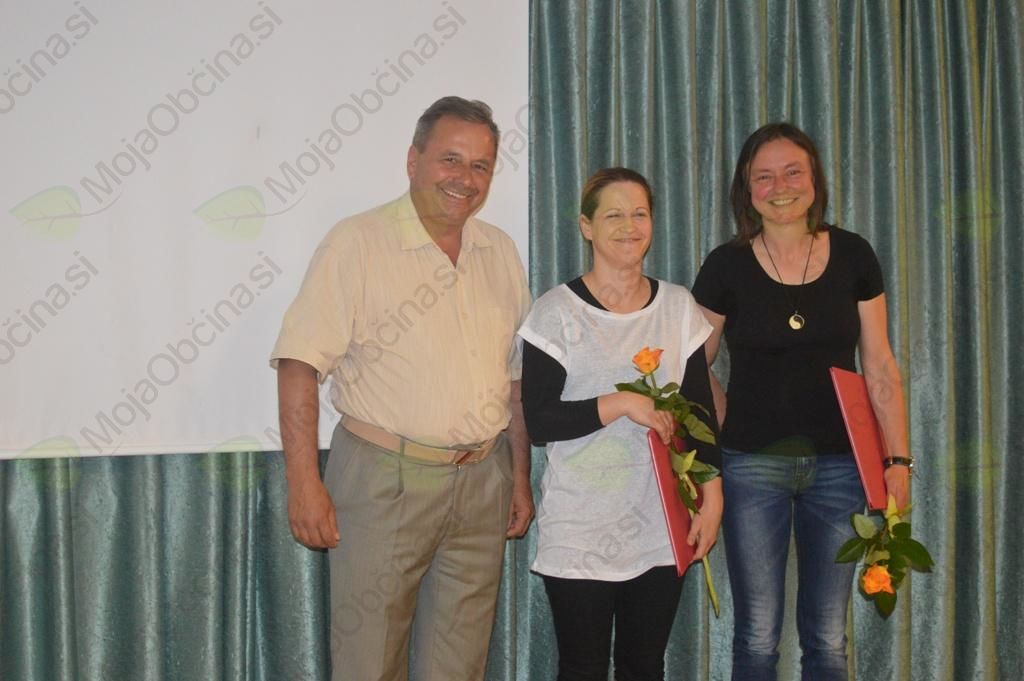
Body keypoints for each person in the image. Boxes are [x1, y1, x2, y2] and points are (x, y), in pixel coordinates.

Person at [270, 96, 534, 681]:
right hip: (383, 479)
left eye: (481, 166)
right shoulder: (357, 243)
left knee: (459, 666)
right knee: (369, 662)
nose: (465, 178)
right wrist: (304, 484)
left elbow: (515, 380)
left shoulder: (499, 251)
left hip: (483, 480)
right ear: (413, 160)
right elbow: (298, 364)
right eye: (450, 159)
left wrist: (518, 476)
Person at [692, 122, 912, 681]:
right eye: (764, 176)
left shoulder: (855, 255)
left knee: (828, 639)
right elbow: (693, 365)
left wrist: (897, 460)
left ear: (815, 179)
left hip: (841, 467)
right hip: (750, 466)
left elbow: (880, 365)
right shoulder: (724, 265)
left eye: (793, 172)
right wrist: (722, 416)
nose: (781, 186)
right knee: (757, 636)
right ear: (746, 189)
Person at [517, 167, 724, 681]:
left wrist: (713, 495)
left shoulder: (677, 306)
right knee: (583, 668)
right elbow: (539, 420)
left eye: (639, 214)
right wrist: (621, 403)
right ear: (586, 226)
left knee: (643, 666)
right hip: (580, 526)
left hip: (660, 522)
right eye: (613, 215)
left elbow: (699, 411)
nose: (629, 227)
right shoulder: (555, 312)